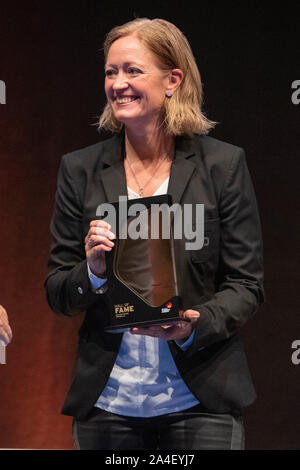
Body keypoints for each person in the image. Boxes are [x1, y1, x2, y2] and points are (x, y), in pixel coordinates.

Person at [45, 17, 265, 450]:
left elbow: (246, 285)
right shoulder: (80, 169)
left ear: (173, 80)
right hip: (109, 405)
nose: (118, 83)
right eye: (111, 72)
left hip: (200, 403)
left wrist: (190, 327)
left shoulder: (222, 166)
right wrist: (90, 272)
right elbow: (56, 292)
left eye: (132, 70)